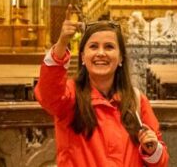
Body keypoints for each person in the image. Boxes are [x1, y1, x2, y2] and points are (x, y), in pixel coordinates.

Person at [35, 19, 169, 166]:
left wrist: (152, 149)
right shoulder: (69, 97)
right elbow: (48, 94)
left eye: (109, 47)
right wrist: (61, 44)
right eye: (93, 47)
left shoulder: (136, 100)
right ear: (83, 57)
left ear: (121, 58)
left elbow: (160, 160)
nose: (100, 53)